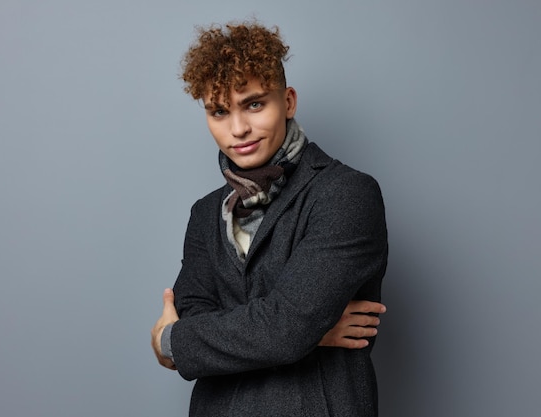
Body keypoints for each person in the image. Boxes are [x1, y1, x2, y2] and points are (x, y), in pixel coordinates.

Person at [151, 21, 388, 416]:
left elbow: (287, 329)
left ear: (289, 101)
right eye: (219, 111)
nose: (238, 128)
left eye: (254, 104)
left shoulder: (346, 194)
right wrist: (313, 330)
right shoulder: (206, 213)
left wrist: (171, 341)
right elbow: (198, 313)